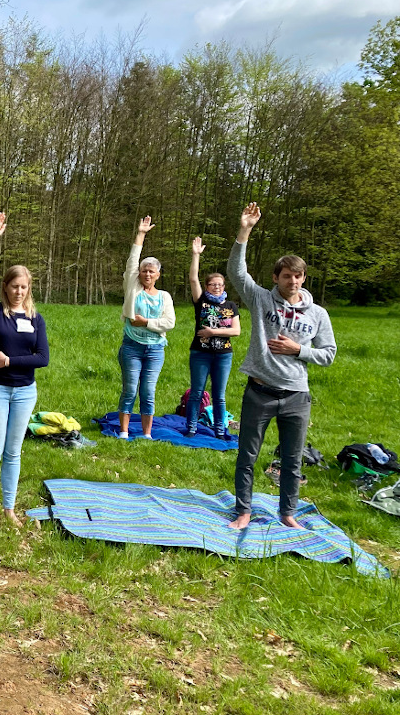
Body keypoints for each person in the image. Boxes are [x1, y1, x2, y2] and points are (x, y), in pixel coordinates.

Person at [227, 203, 336, 530]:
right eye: (287, 275)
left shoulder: (317, 314)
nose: (293, 280)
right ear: (276, 278)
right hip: (259, 391)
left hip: (296, 398)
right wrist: (244, 230)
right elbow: (236, 272)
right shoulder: (261, 299)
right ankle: (243, 511)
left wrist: (298, 349)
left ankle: (287, 514)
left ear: (303, 278)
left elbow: (328, 353)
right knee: (247, 456)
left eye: (298, 276)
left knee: (292, 460)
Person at [0, 213, 50, 531]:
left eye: (23, 287)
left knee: (13, 451)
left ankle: (9, 508)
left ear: (28, 289)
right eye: (13, 286)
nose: (18, 291)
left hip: (24, 391)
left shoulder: (36, 319)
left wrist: (10, 362)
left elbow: (42, 358)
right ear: (5, 288)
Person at [117, 216, 175, 439]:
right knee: (130, 389)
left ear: (158, 275)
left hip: (155, 350)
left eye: (152, 271)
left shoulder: (165, 297)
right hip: (132, 346)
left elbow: (169, 323)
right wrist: (140, 234)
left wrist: (146, 323)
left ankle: (146, 434)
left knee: (148, 392)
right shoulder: (133, 288)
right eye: (144, 270)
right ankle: (124, 431)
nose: (147, 274)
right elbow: (132, 261)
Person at [185, 236, 241, 439]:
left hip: (223, 355)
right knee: (197, 393)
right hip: (200, 353)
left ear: (224, 286)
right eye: (213, 284)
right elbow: (193, 278)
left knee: (219, 396)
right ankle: (191, 428)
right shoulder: (201, 302)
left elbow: (236, 331)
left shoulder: (231, 306)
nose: (217, 287)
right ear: (207, 286)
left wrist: (212, 332)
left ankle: (220, 429)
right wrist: (195, 255)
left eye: (220, 284)